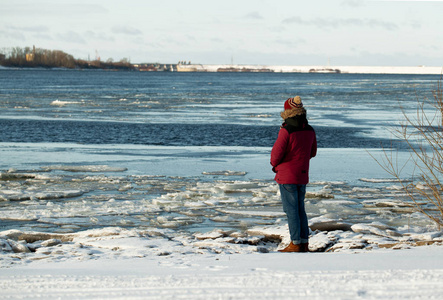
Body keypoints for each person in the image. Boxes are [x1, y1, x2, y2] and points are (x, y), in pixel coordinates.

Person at [270, 96, 317, 253]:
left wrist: (275, 165)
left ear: (287, 111)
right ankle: (304, 242)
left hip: (287, 175)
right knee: (300, 209)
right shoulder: (309, 129)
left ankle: (295, 243)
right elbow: (313, 152)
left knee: (291, 210)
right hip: (302, 174)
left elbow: (276, 155)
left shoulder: (286, 131)